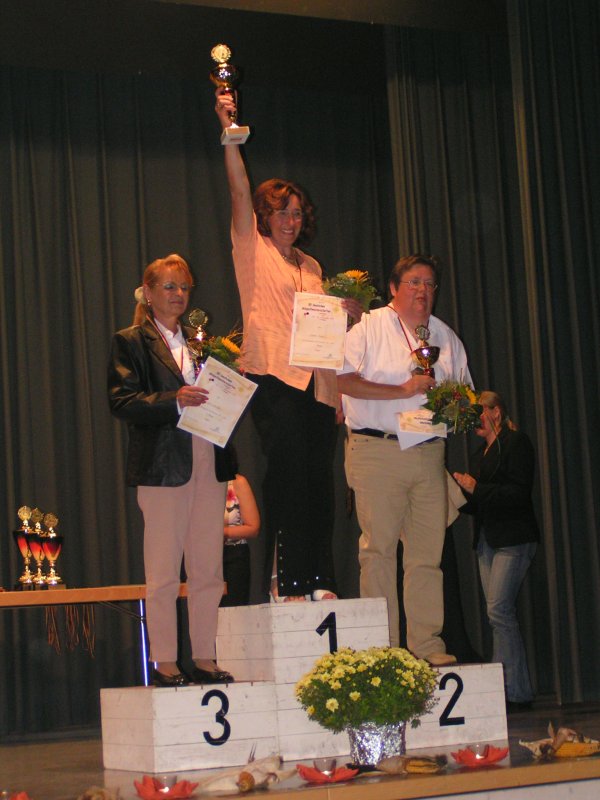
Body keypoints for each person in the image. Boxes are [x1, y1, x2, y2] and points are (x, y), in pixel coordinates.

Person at [214, 88, 362, 603]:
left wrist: (338, 387)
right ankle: (288, 580)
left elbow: (326, 335)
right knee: (289, 477)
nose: (291, 220)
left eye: (297, 213)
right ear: (264, 215)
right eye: (281, 212)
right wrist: (230, 135)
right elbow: (238, 192)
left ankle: (321, 580)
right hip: (274, 377)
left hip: (317, 386)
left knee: (320, 482)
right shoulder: (251, 248)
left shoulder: (312, 266)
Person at [107, 253, 235, 687]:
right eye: (169, 286)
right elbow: (121, 401)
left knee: (208, 569)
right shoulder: (131, 341)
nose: (179, 294)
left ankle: (205, 657)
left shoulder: (203, 342)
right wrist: (173, 400)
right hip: (163, 464)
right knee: (163, 572)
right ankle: (164, 661)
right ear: (148, 292)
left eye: (184, 287)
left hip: (209, 456)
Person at [337, 254, 471, 666]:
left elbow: (464, 394)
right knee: (378, 552)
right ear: (394, 288)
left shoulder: (445, 337)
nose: (423, 291)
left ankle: (427, 645)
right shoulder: (368, 327)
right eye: (414, 282)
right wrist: (403, 390)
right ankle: (384, 648)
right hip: (378, 448)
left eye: (430, 284)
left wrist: (456, 406)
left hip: (429, 451)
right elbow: (343, 381)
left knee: (427, 556)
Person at [453, 390, 539, 709]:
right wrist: (456, 496)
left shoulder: (516, 443)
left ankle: (512, 692)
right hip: (488, 540)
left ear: (496, 413)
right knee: (498, 615)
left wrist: (477, 488)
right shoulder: (481, 454)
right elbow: (479, 503)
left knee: (498, 611)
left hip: (513, 537)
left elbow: (518, 493)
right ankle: (510, 690)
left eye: (478, 413)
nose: (473, 420)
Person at [221, 471, 260, 607]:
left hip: (233, 556)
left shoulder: (237, 482)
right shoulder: (194, 484)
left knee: (233, 611)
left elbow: (253, 527)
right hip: (202, 558)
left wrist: (218, 533)